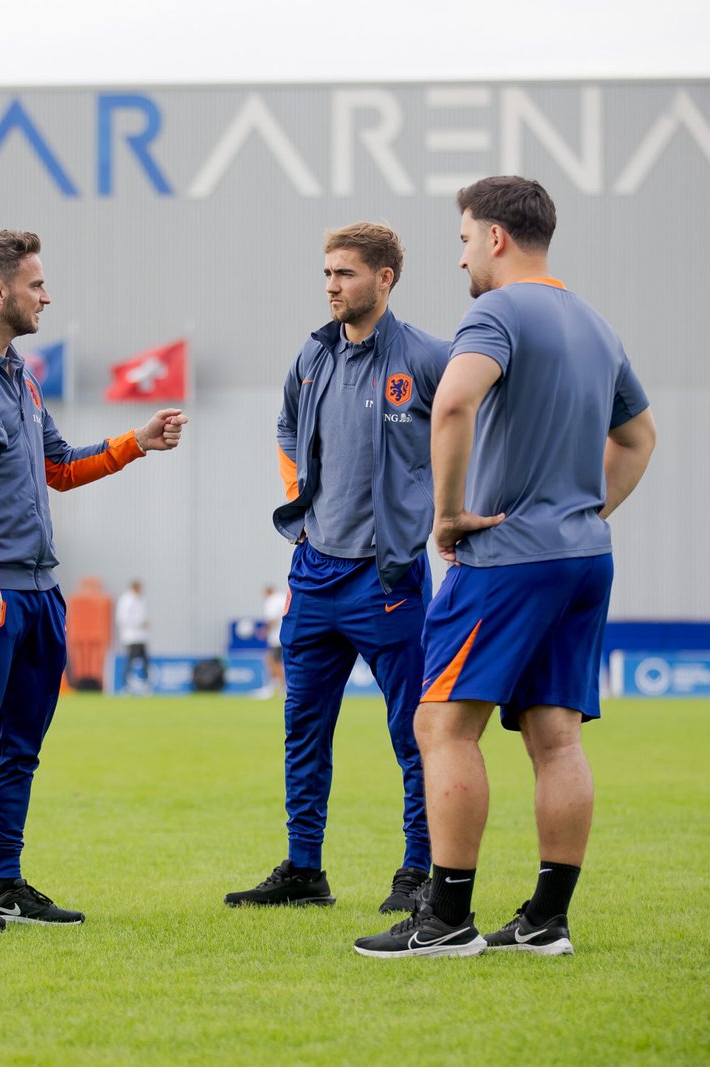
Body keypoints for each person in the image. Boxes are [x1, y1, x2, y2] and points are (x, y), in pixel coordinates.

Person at [354, 177, 657, 959]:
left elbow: (454, 402)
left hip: (505, 557)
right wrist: (582, 513)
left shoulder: (495, 312)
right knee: (557, 737)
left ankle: (447, 919)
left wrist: (449, 514)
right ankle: (545, 920)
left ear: (495, 237)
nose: (461, 259)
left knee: (442, 724)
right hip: (582, 557)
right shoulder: (596, 322)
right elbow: (639, 438)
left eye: (463, 240)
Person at [0, 230, 188, 934]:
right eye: (36, 284)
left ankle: (2, 883)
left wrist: (134, 442)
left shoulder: (21, 377)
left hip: (38, 590)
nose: (46, 296)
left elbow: (58, 467)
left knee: (19, 748)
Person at [226, 222, 450, 914]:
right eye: (327, 272)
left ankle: (417, 872)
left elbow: (470, 430)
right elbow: (286, 427)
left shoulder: (427, 357)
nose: (331, 285)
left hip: (387, 579)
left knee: (414, 732)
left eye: (345, 273)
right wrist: (299, 504)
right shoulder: (312, 354)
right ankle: (304, 870)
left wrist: (442, 510)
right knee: (303, 728)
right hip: (314, 576)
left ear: (385, 278)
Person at [114, 579, 150, 694]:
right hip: (131, 637)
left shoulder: (141, 599)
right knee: (129, 662)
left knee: (145, 662)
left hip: (141, 637)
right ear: (135, 587)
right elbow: (122, 618)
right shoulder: (126, 600)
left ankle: (145, 686)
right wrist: (139, 622)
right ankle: (125, 686)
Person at [254, 584, 287, 700]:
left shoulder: (272, 601)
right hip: (287, 635)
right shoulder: (284, 597)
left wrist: (264, 631)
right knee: (275, 660)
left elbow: (272, 619)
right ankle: (275, 686)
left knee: (273, 661)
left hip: (276, 637)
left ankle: (281, 687)